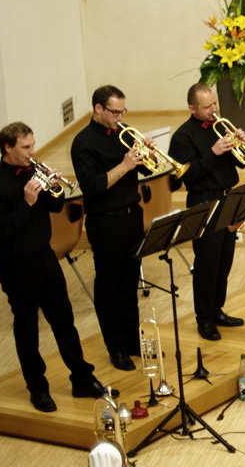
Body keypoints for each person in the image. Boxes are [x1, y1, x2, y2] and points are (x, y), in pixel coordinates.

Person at [0, 122, 118, 412]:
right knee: (27, 328)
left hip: (45, 257)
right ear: (8, 148)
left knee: (64, 320)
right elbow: (1, 232)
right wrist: (27, 202)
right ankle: (38, 388)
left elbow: (55, 208)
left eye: (32, 145)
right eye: (25, 147)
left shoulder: (33, 172)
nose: (32, 152)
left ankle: (82, 378)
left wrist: (54, 189)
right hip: (16, 265)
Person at [71, 85, 146, 371]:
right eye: (114, 112)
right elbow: (92, 186)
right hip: (105, 222)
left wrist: (147, 153)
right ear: (98, 108)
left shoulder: (124, 133)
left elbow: (147, 169)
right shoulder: (83, 143)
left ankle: (132, 341)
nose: (120, 117)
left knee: (129, 285)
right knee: (108, 288)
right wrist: (125, 165)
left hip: (132, 217)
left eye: (122, 111)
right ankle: (116, 348)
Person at [167, 83, 245, 340]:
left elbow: (240, 163)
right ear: (192, 108)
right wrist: (213, 152)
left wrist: (239, 145)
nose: (214, 110)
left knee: (224, 261)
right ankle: (204, 318)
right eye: (207, 106)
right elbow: (187, 177)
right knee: (207, 263)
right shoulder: (182, 137)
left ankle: (216, 310)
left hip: (227, 197)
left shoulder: (220, 127)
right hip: (204, 201)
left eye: (215, 103)